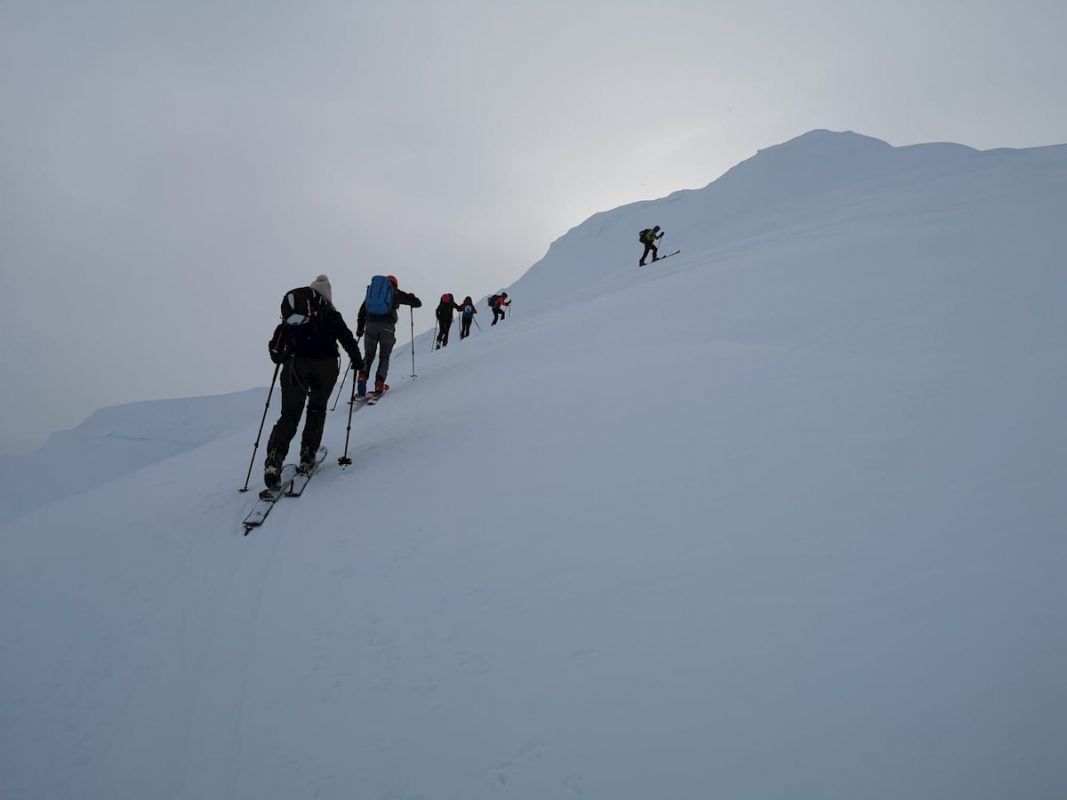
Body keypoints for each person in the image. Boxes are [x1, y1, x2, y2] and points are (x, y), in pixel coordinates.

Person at [264, 275, 361, 488]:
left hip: (295, 366)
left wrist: (283, 357)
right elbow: (347, 338)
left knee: (289, 414)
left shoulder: (297, 309)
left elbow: (276, 346)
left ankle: (274, 458)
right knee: (316, 409)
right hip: (325, 366)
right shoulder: (331, 314)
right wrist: (357, 361)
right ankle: (308, 453)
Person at [356, 275, 422, 396]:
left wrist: (360, 329)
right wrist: (411, 298)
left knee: (368, 355)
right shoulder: (396, 293)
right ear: (395, 284)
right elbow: (418, 303)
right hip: (387, 327)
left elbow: (362, 311)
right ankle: (379, 383)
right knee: (384, 357)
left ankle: (362, 377)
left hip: (370, 325)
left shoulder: (373, 295)